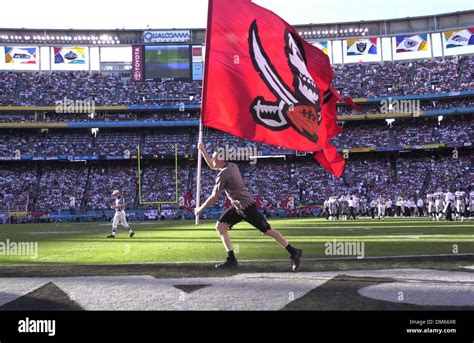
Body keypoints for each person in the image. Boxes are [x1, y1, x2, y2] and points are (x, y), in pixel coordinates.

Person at [194, 143, 302, 271]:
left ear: (222, 159)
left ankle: (293, 251)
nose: (212, 160)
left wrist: (200, 209)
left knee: (267, 230)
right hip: (238, 207)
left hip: (246, 207)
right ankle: (232, 260)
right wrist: (203, 150)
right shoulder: (231, 166)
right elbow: (212, 165)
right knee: (221, 226)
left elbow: (214, 197)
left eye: (214, 157)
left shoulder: (223, 174)